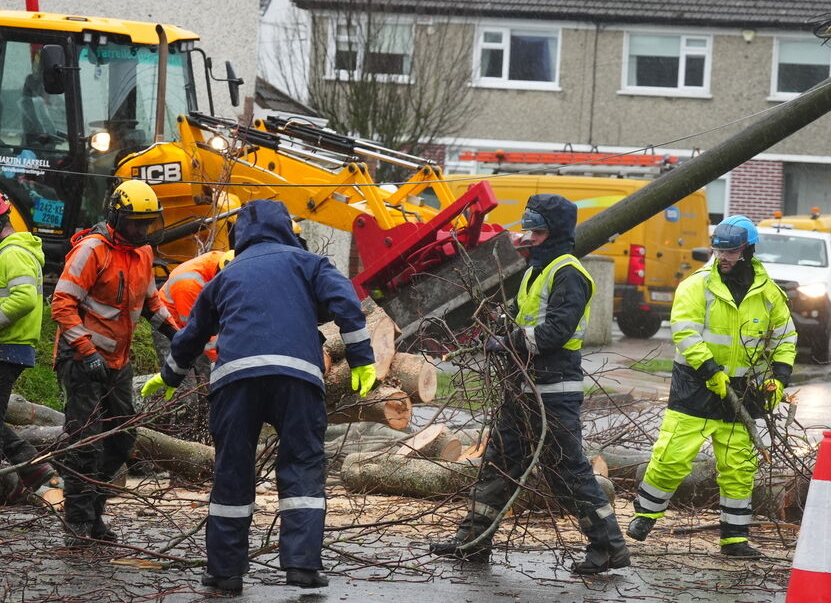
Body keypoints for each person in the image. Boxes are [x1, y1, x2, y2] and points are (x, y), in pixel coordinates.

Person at [142, 199, 376, 593]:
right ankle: (302, 566)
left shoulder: (227, 275)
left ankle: (225, 572)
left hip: (236, 381)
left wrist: (170, 375)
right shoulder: (309, 264)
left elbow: (193, 332)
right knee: (302, 466)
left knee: (232, 470)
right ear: (288, 229)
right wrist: (361, 360)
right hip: (297, 378)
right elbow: (346, 306)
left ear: (239, 236)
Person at [430, 193, 629, 574]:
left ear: (554, 233)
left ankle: (609, 547)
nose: (529, 237)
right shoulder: (536, 271)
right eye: (528, 230)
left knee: (567, 470)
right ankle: (473, 540)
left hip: (552, 391)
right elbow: (521, 317)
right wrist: (496, 325)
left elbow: (554, 331)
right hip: (522, 388)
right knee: (499, 463)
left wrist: (509, 342)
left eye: (536, 231)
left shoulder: (568, 273)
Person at [626, 215, 797, 557]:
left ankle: (734, 538)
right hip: (697, 386)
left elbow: (785, 338)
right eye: (719, 251)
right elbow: (685, 331)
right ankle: (646, 514)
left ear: (749, 250)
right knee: (672, 456)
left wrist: (778, 378)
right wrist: (709, 369)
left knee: (739, 467)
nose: (724, 257)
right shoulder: (697, 285)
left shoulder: (770, 294)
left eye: (732, 252)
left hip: (745, 392)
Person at [51, 180, 178, 545]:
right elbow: (62, 303)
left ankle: (95, 513)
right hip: (81, 357)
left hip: (118, 360)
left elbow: (152, 304)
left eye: (146, 223)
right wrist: (87, 350)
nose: (141, 229)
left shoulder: (143, 253)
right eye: (135, 223)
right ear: (116, 217)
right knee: (85, 441)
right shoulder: (93, 250)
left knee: (122, 438)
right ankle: (77, 522)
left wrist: (176, 333)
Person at [0, 193, 55, 501]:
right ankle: (28, 474)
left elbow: (22, 299)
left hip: (9, 345)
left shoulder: (12, 253)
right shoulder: (13, 251)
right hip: (11, 344)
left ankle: (32, 468)